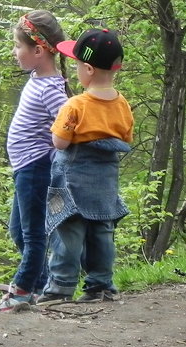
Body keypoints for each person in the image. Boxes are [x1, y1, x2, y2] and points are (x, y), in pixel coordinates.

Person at [38, 28, 134, 303]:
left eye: (78, 65)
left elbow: (59, 142)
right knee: (102, 233)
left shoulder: (75, 105)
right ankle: (100, 286)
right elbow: (126, 137)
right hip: (105, 182)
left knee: (67, 231)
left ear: (88, 69)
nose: (76, 70)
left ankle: (61, 287)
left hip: (72, 180)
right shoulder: (123, 105)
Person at [0, 10, 71, 313]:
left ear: (38, 51)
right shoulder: (38, 77)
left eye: (18, 46)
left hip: (36, 169)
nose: (14, 52)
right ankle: (42, 287)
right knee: (18, 232)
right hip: (25, 168)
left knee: (34, 236)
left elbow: (69, 123)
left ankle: (21, 292)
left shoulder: (51, 88)